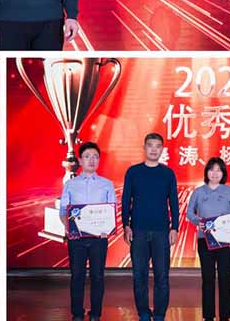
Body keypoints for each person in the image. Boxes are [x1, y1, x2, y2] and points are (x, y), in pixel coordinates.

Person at [122, 133, 179, 321]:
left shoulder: (168, 173)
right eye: (150, 145)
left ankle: (160, 314)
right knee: (139, 275)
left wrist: (175, 227)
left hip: (161, 232)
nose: (154, 149)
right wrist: (126, 225)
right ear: (144, 148)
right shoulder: (133, 172)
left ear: (162, 149)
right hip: (138, 231)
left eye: (157, 146)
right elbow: (126, 200)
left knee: (162, 276)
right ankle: (144, 313)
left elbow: (173, 202)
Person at [60, 142, 116, 321]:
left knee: (97, 276)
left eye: (95, 157)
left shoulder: (107, 184)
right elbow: (63, 211)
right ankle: (77, 313)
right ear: (80, 160)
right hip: (77, 239)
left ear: (99, 160)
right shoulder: (70, 184)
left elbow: (111, 210)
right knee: (77, 276)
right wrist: (69, 229)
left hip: (99, 238)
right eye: (87, 156)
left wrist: (108, 228)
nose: (91, 160)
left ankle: (95, 314)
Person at [186, 157, 230, 321]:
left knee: (225, 276)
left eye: (219, 170)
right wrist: (200, 222)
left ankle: (226, 315)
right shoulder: (198, 192)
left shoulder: (229, 191)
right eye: (211, 169)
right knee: (208, 277)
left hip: (226, 240)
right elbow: (190, 212)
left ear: (223, 173)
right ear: (206, 172)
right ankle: (208, 316)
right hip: (205, 240)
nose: (215, 173)